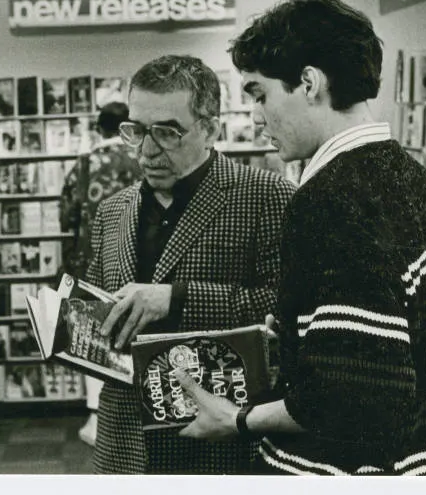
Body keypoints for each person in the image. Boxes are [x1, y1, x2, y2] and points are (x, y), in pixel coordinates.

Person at [173, 0, 426, 476]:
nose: (255, 116)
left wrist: (239, 419)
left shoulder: (329, 198)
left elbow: (353, 394)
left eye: (260, 93)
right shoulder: (413, 177)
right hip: (423, 463)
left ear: (308, 83)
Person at [86, 54, 295, 474]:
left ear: (209, 129)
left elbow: (288, 310)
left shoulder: (268, 196)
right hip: (125, 447)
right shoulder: (112, 211)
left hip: (220, 445)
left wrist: (177, 299)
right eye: (136, 130)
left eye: (166, 132)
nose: (146, 151)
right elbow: (100, 309)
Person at [59, 102, 143, 447]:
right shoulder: (140, 159)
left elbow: (66, 217)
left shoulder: (84, 165)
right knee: (136, 328)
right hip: (140, 260)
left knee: (93, 334)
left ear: (99, 129)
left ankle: (97, 416)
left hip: (91, 259)